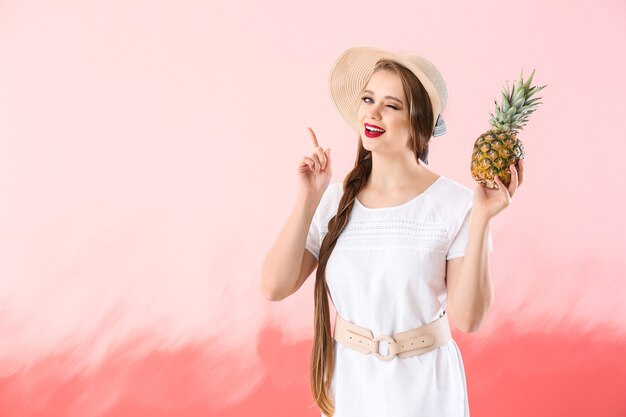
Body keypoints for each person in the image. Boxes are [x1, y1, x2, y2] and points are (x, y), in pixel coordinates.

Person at [261, 45, 523, 417]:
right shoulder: (334, 200)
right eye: (368, 98)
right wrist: (308, 200)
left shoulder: (457, 205)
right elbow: (274, 286)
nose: (373, 111)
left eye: (392, 105)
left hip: (426, 389)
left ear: (419, 123)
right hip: (351, 386)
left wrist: (483, 217)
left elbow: (468, 319)